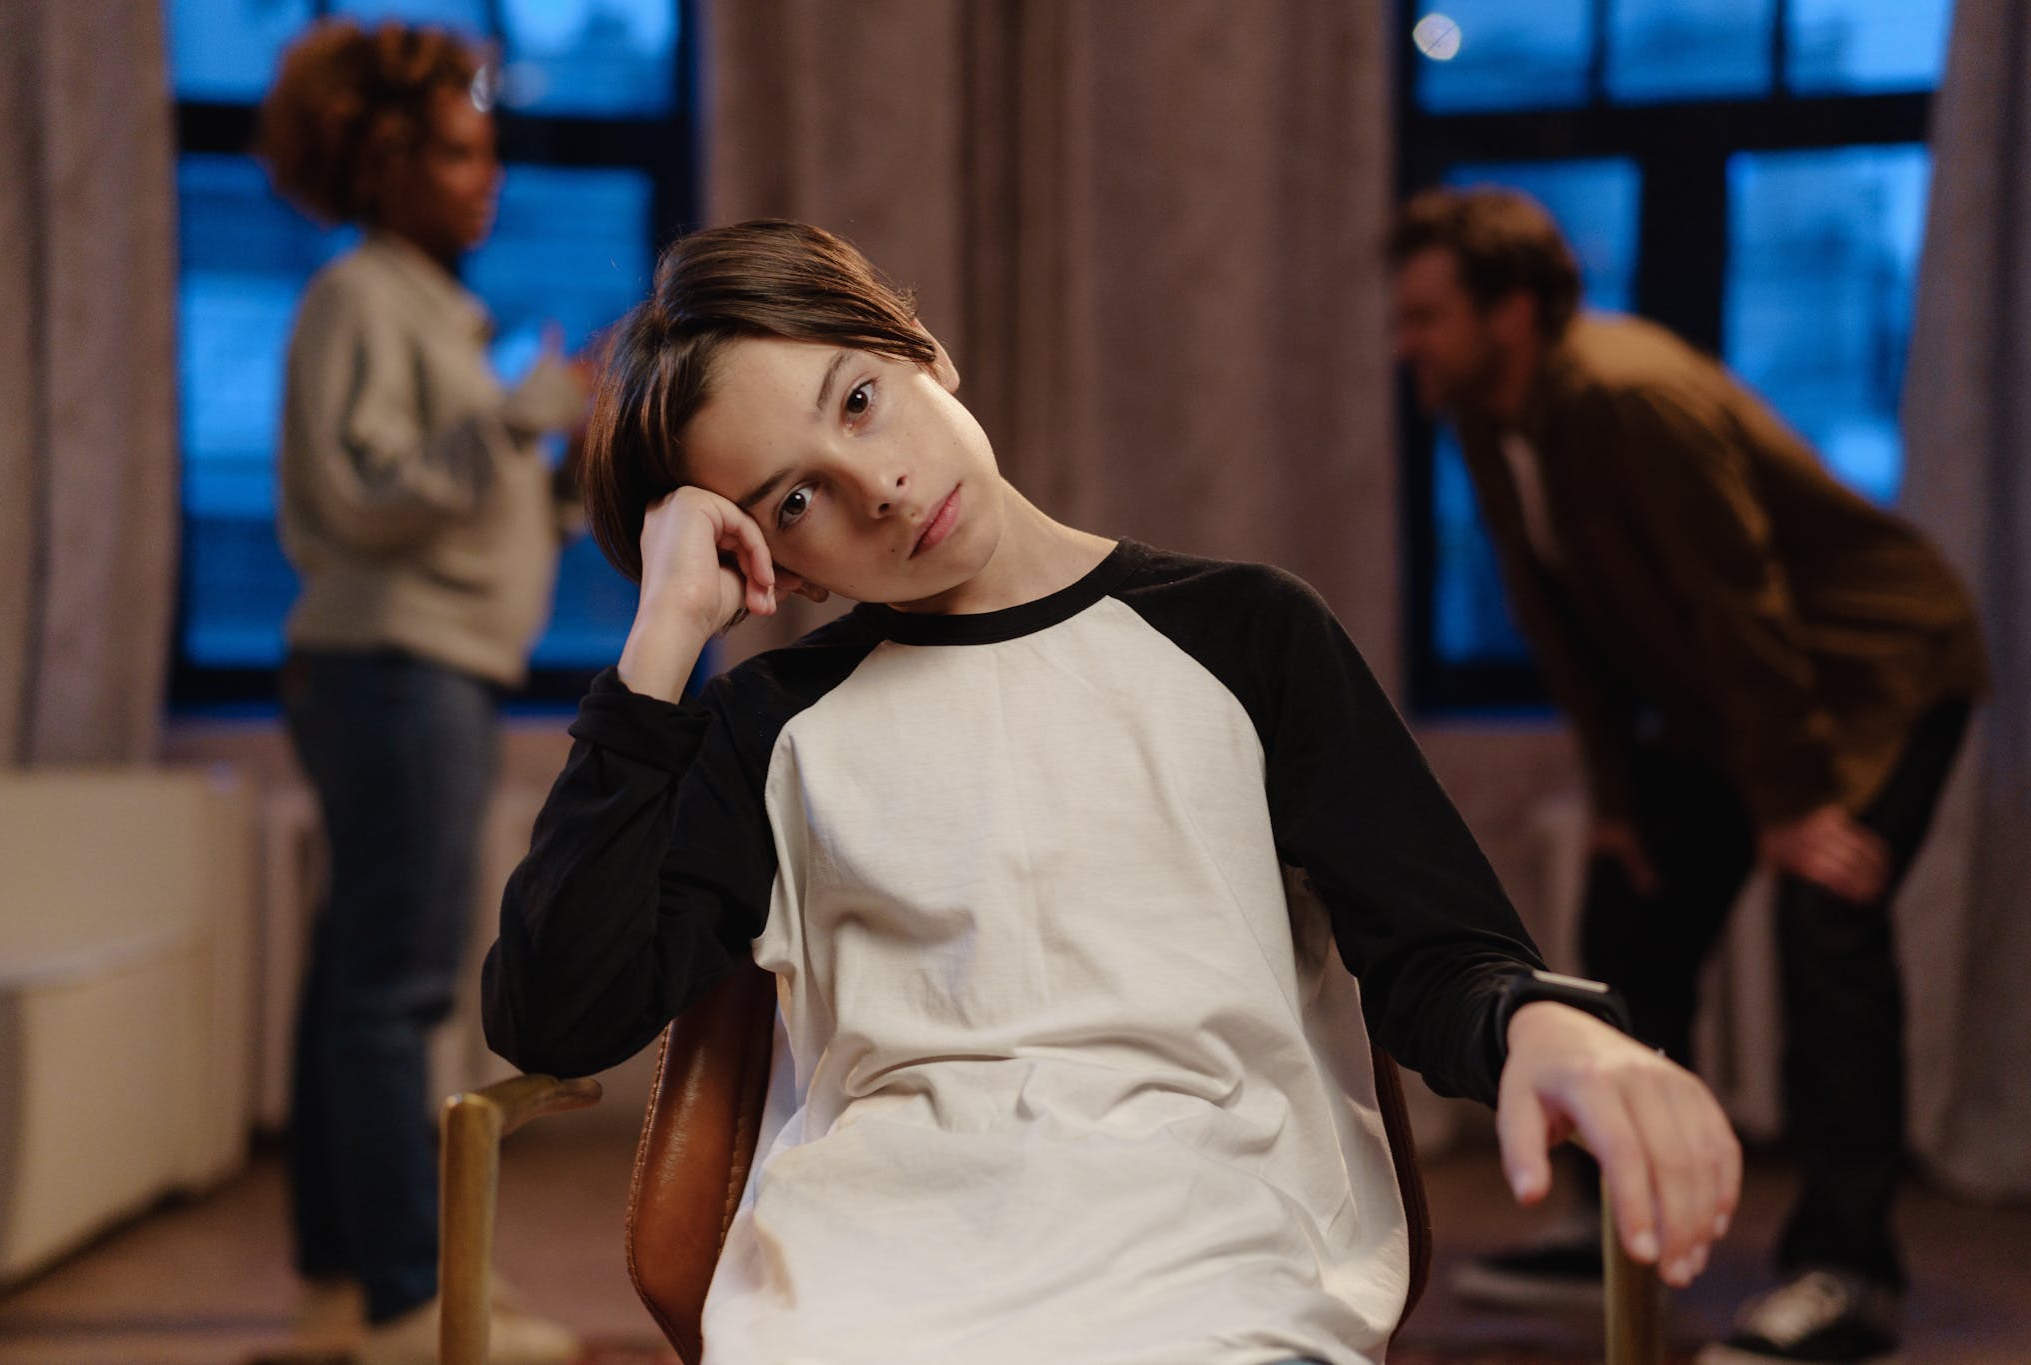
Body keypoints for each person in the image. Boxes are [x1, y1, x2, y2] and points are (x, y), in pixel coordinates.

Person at [482, 218, 1740, 1365]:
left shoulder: (1249, 633)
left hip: (1209, 1242)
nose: (879, 489)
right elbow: (560, 1015)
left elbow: (1436, 952)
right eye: (794, 501)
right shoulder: (769, 726)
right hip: (876, 1265)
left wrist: (1543, 1023)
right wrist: (658, 647)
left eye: (859, 401)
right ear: (778, 564)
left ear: (921, 349)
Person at [1387, 188, 1986, 1365]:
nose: (1405, 343)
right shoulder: (1486, 414)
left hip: (1873, 672)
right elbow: (1563, 623)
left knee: (1827, 929)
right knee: (1631, 912)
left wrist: (1792, 805)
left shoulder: (1623, 391)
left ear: (1509, 312)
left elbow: (1737, 601)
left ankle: (1844, 1273)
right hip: (1734, 701)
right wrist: (1618, 802)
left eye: (1425, 317)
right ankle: (1616, 1227)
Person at [259, 19, 589, 1365]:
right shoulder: (360, 299)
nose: (486, 178)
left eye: (490, 153)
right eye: (459, 153)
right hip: (394, 666)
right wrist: (516, 422)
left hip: (418, 664)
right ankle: (407, 1298)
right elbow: (360, 495)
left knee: (358, 981)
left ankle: (348, 1285)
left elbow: (469, 508)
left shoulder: (428, 312)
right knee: (395, 993)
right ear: (386, 164)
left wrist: (563, 459)